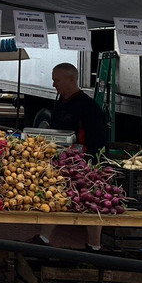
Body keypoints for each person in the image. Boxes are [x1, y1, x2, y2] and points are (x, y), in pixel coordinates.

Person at [36, 62, 111, 251]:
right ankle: (43, 238)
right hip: (61, 161)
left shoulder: (89, 107)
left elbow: (99, 140)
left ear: (72, 79)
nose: (54, 85)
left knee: (92, 203)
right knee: (54, 197)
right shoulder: (60, 102)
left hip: (85, 164)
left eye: (57, 80)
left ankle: (95, 246)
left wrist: (92, 166)